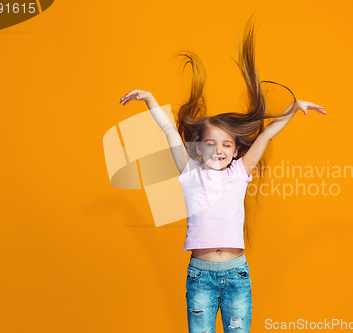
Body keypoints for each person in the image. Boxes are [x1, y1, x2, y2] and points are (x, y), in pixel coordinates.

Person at [119, 13, 326, 333]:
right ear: (198, 147)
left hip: (237, 275)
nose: (219, 150)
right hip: (200, 275)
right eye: (211, 143)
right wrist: (148, 99)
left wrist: (294, 107)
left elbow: (267, 135)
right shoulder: (189, 171)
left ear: (235, 150)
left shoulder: (240, 173)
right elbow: (168, 132)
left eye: (227, 144)